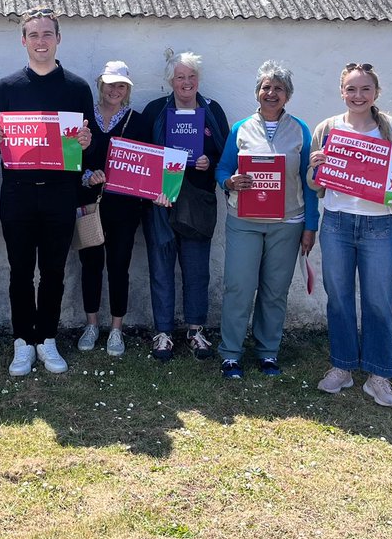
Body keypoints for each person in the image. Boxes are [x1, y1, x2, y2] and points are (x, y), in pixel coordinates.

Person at [308, 62, 392, 408]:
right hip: (337, 223)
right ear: (341, 92)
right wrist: (317, 167)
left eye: (365, 89)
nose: (358, 96)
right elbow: (314, 184)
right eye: (351, 89)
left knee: (378, 300)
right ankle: (342, 367)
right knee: (338, 297)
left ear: (376, 93)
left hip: (378, 225)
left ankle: (378, 375)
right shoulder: (327, 129)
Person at [0, 7, 93, 376]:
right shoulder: (8, 87)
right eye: (33, 35)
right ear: (23, 41)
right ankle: (22, 342)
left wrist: (85, 139)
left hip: (60, 195)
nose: (41, 41)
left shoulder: (77, 88)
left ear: (58, 39)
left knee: (53, 271)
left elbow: (89, 144)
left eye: (47, 34)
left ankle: (47, 340)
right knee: (19, 271)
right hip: (17, 194)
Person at [215, 60, 318, 379]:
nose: (271, 93)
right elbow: (222, 169)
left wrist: (310, 226)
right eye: (265, 87)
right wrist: (229, 182)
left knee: (275, 290)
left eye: (278, 88)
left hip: (287, 224)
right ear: (257, 92)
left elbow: (310, 181)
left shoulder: (300, 130)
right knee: (239, 287)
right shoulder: (240, 128)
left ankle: (268, 352)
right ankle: (231, 353)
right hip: (244, 219)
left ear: (287, 95)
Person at [141, 51, 229, 362]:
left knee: (196, 270)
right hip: (160, 205)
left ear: (198, 80)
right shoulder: (154, 111)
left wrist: (210, 161)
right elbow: (142, 156)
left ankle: (196, 330)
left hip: (198, 203)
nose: (186, 82)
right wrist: (152, 189)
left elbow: (226, 155)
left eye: (191, 77)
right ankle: (163, 332)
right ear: (171, 81)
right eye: (180, 77)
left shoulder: (213, 111)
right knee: (161, 268)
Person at [75, 60, 158, 358]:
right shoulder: (83, 120)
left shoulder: (138, 121)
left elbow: (147, 165)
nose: (114, 90)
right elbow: (71, 159)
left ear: (128, 89)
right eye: (110, 84)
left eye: (121, 85)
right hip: (89, 205)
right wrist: (87, 175)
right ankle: (92, 325)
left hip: (124, 208)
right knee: (91, 265)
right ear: (100, 84)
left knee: (119, 266)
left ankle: (116, 329)